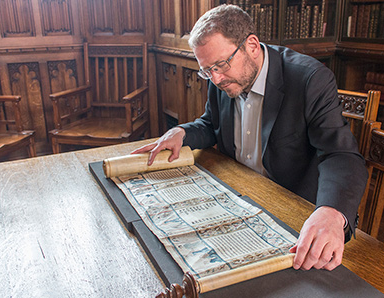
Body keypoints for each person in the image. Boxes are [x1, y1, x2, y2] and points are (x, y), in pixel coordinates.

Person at [132, 4, 368, 271]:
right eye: (207, 71)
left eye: (220, 66)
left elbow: (340, 154)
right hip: (237, 195)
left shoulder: (309, 79)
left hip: (290, 213)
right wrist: (182, 132)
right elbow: (212, 124)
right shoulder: (221, 77)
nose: (216, 79)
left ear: (252, 46)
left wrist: (332, 212)